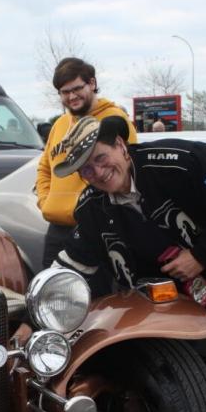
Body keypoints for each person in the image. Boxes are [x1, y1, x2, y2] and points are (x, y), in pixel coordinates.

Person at [53, 116, 206, 412]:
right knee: (174, 371)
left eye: (100, 158)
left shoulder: (182, 163)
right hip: (174, 290)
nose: (97, 173)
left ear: (120, 146)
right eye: (86, 170)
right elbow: (70, 264)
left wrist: (201, 256)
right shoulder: (91, 208)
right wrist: (35, 315)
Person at [36, 57, 137, 268]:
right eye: (64, 92)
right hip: (57, 229)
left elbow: (127, 171)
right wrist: (46, 202)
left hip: (96, 229)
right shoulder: (61, 124)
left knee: (94, 299)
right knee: (48, 294)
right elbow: (45, 168)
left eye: (77, 88)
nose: (71, 96)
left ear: (91, 83)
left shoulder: (114, 120)